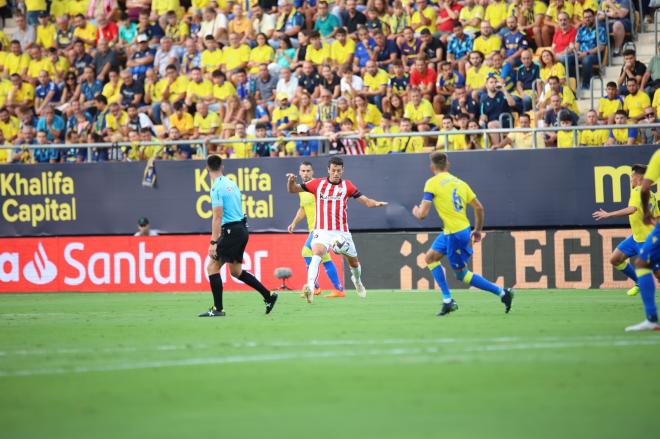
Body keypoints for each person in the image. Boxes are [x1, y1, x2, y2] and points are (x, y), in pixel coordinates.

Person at [412, 152, 514, 316]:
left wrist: (416, 211)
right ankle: (448, 301)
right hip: (456, 231)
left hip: (455, 234)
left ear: (432, 167)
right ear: (448, 165)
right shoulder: (460, 183)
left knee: (461, 274)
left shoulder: (432, 183)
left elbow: (422, 215)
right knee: (430, 258)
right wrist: (478, 229)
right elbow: (479, 207)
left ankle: (502, 292)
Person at [286, 156, 388, 303]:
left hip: (341, 233)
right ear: (328, 170)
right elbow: (293, 190)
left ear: (343, 171)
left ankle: (357, 281)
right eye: (333, 170)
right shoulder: (317, 184)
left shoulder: (348, 186)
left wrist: (376, 203)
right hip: (321, 231)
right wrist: (291, 181)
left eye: (338, 171)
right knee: (317, 252)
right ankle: (310, 287)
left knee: (354, 263)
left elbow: (365, 201)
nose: (335, 173)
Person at [199, 155, 279, 317]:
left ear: (207, 169)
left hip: (230, 230)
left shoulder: (216, 188)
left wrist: (213, 242)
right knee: (235, 271)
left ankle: (218, 309)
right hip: (242, 229)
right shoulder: (231, 183)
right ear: (222, 167)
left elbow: (217, 217)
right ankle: (268, 296)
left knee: (212, 267)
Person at [593, 164, 658, 297]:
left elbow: (632, 209)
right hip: (636, 238)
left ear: (639, 177)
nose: (630, 179)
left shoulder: (637, 191)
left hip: (646, 241)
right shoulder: (651, 194)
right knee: (615, 259)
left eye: (632, 176)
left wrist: (609, 214)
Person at [287, 161, 345, 298]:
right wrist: (294, 223)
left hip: (321, 227)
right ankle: (338, 289)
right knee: (325, 258)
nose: (305, 173)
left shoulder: (317, 186)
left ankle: (315, 287)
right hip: (314, 228)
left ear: (312, 172)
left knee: (306, 251)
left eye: (308, 170)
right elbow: (303, 208)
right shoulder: (302, 189)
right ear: (300, 172)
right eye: (303, 171)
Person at [627, 150, 660, 331]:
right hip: (646, 233)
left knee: (642, 264)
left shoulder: (657, 157)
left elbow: (645, 188)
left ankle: (652, 318)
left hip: (647, 235)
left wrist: (647, 215)